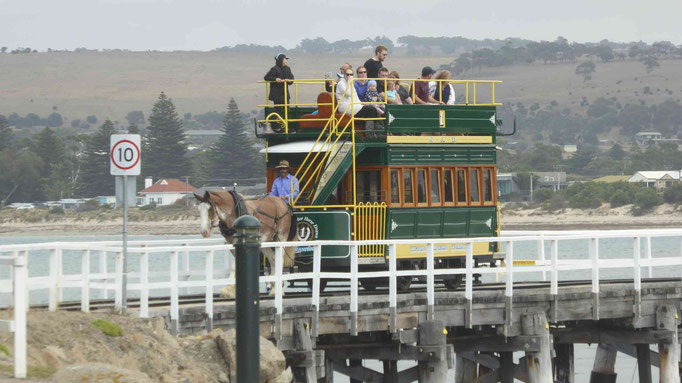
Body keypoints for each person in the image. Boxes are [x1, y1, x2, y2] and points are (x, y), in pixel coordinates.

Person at [264, 54, 295, 129]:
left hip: (285, 94)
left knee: (287, 110)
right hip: (276, 94)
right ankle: (277, 127)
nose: (286, 60)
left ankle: (287, 127)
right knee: (278, 111)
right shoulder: (274, 69)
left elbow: (292, 79)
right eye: (284, 59)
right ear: (280, 60)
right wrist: (275, 79)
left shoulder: (287, 69)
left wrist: (289, 80)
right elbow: (266, 77)